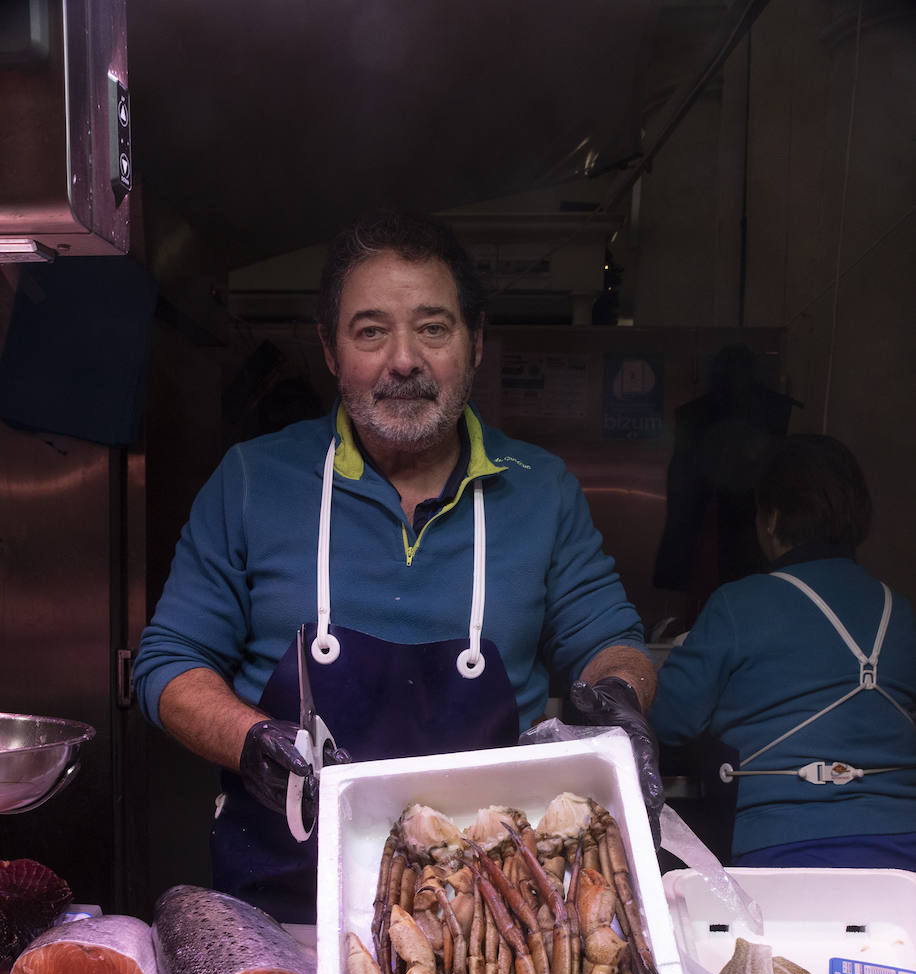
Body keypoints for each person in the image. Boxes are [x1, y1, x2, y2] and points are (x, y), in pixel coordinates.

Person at [133, 209, 663, 920]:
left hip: (490, 915)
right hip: (284, 906)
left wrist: (620, 694)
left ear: (475, 343)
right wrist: (251, 740)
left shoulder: (542, 489)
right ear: (330, 350)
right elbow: (169, 663)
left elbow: (610, 643)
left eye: (433, 328)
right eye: (371, 331)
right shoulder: (253, 481)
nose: (404, 359)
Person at [650, 433, 916, 868]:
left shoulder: (738, 604)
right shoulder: (901, 611)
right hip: (904, 851)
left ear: (771, 519)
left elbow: (669, 721)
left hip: (780, 847)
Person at [652, 343, 799, 598]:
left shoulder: (695, 416)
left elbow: (682, 497)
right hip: (749, 526)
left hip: (730, 526)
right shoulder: (772, 411)